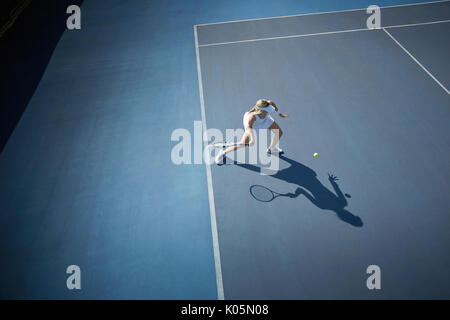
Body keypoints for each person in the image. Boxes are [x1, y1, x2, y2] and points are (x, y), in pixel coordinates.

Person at [215, 99, 289, 164]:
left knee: (279, 132)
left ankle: (271, 149)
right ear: (261, 110)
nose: (269, 110)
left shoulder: (269, 104)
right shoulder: (252, 117)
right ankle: (223, 153)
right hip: (253, 126)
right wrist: (252, 139)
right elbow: (249, 128)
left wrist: (280, 114)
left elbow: (273, 105)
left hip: (266, 120)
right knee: (242, 144)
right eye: (267, 109)